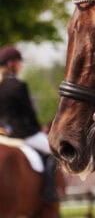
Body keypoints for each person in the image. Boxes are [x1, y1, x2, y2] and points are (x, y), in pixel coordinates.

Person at [0, 45, 57, 201]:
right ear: (12, 64)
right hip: (23, 134)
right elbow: (29, 114)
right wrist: (40, 129)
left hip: (3, 134)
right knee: (55, 152)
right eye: (19, 62)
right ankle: (49, 192)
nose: (21, 66)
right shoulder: (18, 86)